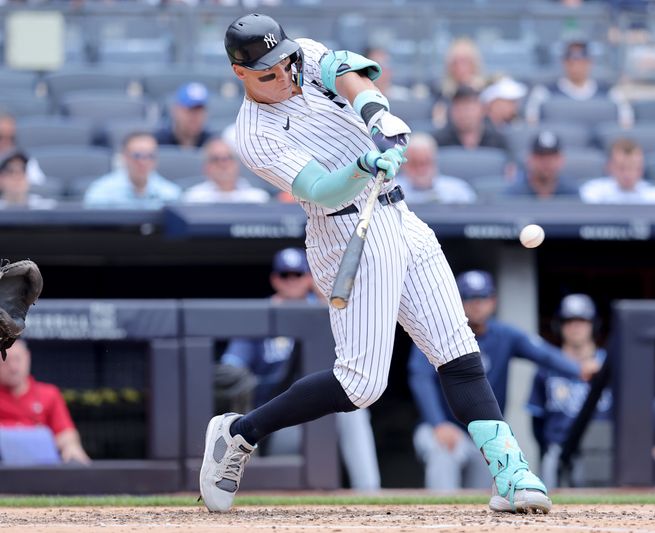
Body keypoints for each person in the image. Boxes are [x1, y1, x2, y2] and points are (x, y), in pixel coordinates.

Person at [200, 14, 553, 515]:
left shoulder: (304, 54)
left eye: (283, 63)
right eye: (266, 72)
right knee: (361, 384)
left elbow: (348, 72)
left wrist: (375, 114)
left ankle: (511, 471)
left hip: (399, 214)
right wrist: (362, 165)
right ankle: (239, 432)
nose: (282, 76)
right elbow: (319, 189)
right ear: (240, 73)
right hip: (342, 228)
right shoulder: (253, 134)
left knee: (457, 349)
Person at [408, 271, 599, 490]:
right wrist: (437, 422)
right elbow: (420, 379)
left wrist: (578, 369)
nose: (477, 304)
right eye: (469, 298)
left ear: (493, 301)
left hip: (484, 433)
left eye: (483, 298)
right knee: (442, 451)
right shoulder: (437, 334)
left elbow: (543, 354)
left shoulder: (505, 335)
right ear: (456, 301)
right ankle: (438, 516)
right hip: (442, 427)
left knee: (482, 492)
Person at [216, 247, 381, 491]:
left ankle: (369, 491)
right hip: (279, 409)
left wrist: (323, 296)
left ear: (309, 278)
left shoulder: (330, 311)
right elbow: (232, 366)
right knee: (280, 476)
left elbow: (357, 324)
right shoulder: (261, 314)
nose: (292, 281)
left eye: (298, 275)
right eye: (285, 275)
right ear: (275, 279)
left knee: (356, 413)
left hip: (323, 404)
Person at [528, 294, 612, 488]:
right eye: (569, 321)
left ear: (593, 325)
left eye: (582, 320)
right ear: (559, 325)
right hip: (558, 449)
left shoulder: (609, 365)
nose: (575, 326)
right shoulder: (547, 365)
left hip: (600, 450)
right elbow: (536, 420)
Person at [0, 339, 91, 465]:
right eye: (6, 361)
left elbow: (65, 433)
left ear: (28, 358)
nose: (13, 368)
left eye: (17, 359)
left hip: (42, 468)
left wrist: (71, 447)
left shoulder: (49, 394)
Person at [524, 40, 632, 127]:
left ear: (589, 62)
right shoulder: (543, 93)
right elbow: (532, 125)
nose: (575, 66)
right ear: (564, 62)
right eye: (571, 61)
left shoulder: (611, 93)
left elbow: (625, 126)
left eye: (580, 60)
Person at [84, 132, 182, 209]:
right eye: (137, 156)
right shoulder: (101, 193)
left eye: (150, 156)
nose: (143, 162)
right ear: (124, 157)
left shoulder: (171, 195)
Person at [579, 138, 655, 204]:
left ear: (642, 168)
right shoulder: (593, 192)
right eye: (621, 168)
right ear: (609, 167)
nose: (628, 174)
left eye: (633, 167)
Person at [394, 132, 476, 204]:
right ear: (403, 165)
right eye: (414, 164)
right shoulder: (391, 193)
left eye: (425, 163)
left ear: (435, 162)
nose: (421, 170)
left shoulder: (458, 192)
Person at [183, 137, 270, 204]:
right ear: (206, 167)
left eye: (228, 158)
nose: (223, 164)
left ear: (237, 164)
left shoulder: (258, 199)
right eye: (216, 159)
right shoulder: (193, 199)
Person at [433, 85, 510, 153]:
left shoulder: (498, 141)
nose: (463, 114)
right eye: (458, 109)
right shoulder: (439, 142)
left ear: (482, 110)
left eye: (468, 109)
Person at [504, 131, 579, 198]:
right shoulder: (514, 195)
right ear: (529, 159)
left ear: (561, 160)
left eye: (551, 157)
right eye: (540, 156)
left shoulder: (572, 195)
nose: (546, 162)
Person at [154, 82, 214, 149]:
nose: (195, 117)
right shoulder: (159, 142)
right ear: (175, 110)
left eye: (200, 111)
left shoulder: (212, 144)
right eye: (190, 110)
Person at [0, 112, 46, 186]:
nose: (6, 142)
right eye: (0, 137)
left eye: (11, 138)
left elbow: (39, 186)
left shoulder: (25, 161)